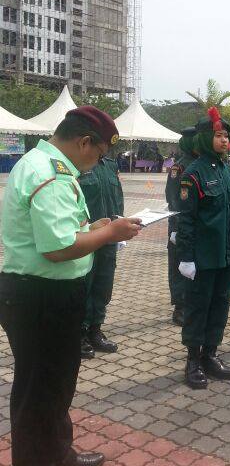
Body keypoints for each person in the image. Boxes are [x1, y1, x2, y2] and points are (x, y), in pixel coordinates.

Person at [0, 106, 140, 466]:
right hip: (41, 296)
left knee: (57, 384)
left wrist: (92, 229)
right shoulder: (50, 174)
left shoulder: (45, 164)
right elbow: (58, 248)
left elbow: (61, 232)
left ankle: (56, 453)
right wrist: (109, 234)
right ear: (84, 142)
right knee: (40, 391)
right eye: (99, 154)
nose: (96, 162)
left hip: (47, 294)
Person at [177, 107, 230, 389]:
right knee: (198, 307)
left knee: (220, 305)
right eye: (218, 135)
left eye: (226, 136)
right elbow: (187, 219)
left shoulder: (228, 172)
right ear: (204, 138)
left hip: (224, 254)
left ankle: (210, 354)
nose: (224, 140)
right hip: (202, 257)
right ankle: (193, 360)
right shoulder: (193, 174)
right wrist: (186, 257)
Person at [78, 153, 126, 358]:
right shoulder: (79, 163)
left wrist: (120, 224)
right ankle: (79, 333)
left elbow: (118, 198)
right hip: (86, 236)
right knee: (84, 285)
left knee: (103, 285)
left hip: (108, 237)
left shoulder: (110, 165)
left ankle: (95, 330)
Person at [166, 126, 198, 326]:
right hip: (179, 225)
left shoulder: (202, 164)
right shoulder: (179, 167)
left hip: (196, 226)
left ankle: (192, 303)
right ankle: (179, 307)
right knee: (178, 265)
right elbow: (173, 199)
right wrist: (176, 228)